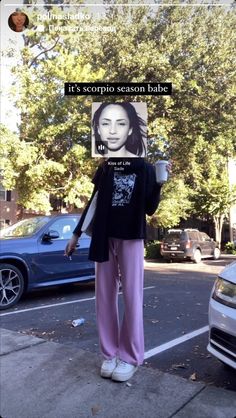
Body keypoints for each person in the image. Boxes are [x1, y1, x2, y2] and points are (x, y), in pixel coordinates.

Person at [65, 105, 170, 383]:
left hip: (131, 237)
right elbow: (94, 202)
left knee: (133, 296)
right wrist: (76, 234)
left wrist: (159, 184)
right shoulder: (108, 166)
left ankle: (130, 356)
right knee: (104, 298)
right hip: (104, 236)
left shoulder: (145, 168)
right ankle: (109, 354)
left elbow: (149, 208)